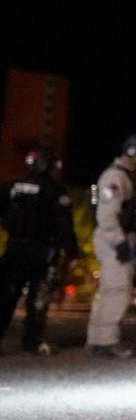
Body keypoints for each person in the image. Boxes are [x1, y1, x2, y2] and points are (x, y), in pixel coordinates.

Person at [0, 147, 78, 355]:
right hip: (42, 251)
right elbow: (64, 225)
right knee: (38, 298)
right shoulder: (55, 190)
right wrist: (72, 253)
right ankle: (31, 341)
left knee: (6, 296)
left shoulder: (11, 186)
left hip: (14, 248)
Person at [86, 135, 136, 358]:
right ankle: (107, 342)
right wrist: (120, 243)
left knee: (108, 291)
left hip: (114, 237)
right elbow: (107, 216)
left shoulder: (124, 175)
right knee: (117, 291)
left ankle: (97, 341)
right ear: (134, 152)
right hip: (114, 239)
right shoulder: (116, 176)